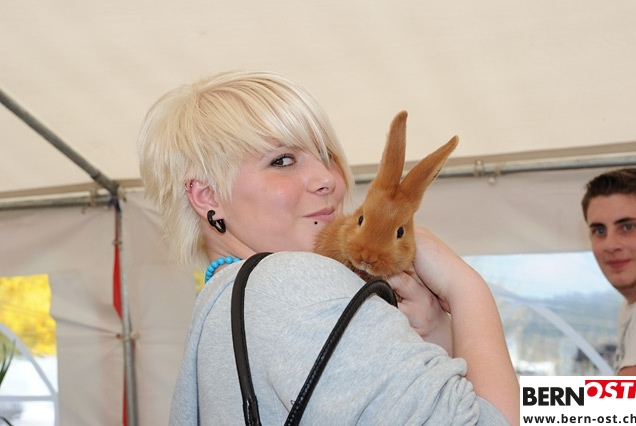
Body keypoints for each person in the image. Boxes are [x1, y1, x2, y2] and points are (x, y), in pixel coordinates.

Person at [137, 70, 519, 425]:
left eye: (327, 155)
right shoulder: (291, 282)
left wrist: (435, 334)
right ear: (206, 196)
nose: (328, 179)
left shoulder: (217, 308)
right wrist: (465, 287)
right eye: (282, 160)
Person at [582, 168, 636, 376]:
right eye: (600, 231)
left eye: (628, 227)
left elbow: (629, 393)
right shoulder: (630, 307)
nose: (610, 245)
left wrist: (521, 392)